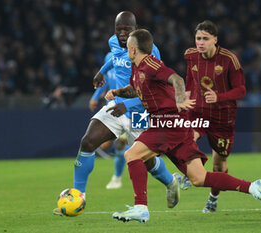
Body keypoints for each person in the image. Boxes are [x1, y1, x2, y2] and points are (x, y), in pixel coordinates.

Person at [106, 29, 261, 223]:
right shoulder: (137, 68)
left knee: (131, 154)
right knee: (199, 178)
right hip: (176, 125)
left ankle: (141, 207)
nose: (127, 51)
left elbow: (177, 79)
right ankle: (253, 186)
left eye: (128, 49)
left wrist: (179, 98)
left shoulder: (151, 64)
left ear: (133, 49)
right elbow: (136, 88)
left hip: (167, 122)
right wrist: (116, 91)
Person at [53, 11, 180, 216]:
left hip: (140, 112)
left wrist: (128, 106)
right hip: (116, 106)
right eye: (118, 29)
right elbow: (115, 59)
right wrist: (102, 71)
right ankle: (79, 197)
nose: (121, 33)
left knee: (146, 161)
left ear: (135, 29)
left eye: (126, 30)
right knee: (88, 142)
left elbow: (155, 90)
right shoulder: (113, 42)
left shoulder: (150, 51)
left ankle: (171, 182)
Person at [181, 20, 248, 213]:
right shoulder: (190, 55)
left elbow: (241, 90)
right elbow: (189, 78)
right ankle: (190, 171)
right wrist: (186, 95)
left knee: (219, 165)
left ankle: (213, 198)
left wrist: (219, 97)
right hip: (198, 112)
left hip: (222, 118)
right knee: (186, 138)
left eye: (205, 39)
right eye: (198, 38)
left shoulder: (229, 60)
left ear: (215, 40)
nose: (200, 42)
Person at [89, 52, 129, 189]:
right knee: (107, 145)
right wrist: (95, 96)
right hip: (113, 106)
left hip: (129, 107)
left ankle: (117, 178)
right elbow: (104, 79)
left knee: (131, 148)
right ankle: (117, 178)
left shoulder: (130, 57)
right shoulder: (108, 57)